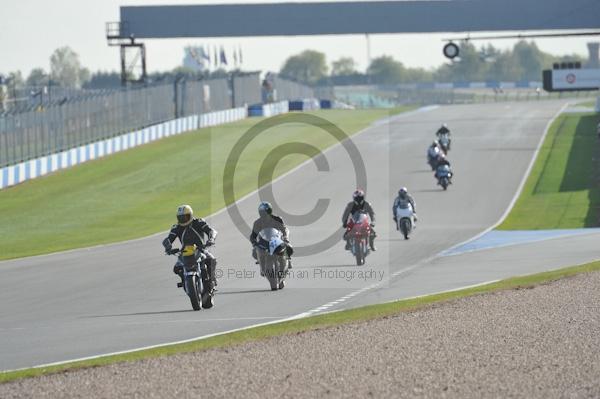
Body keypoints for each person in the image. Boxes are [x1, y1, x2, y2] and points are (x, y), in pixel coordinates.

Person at [162, 204, 218, 291]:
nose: (183, 219)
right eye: (181, 218)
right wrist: (168, 247)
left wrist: (211, 239)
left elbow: (211, 231)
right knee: (177, 268)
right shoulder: (176, 227)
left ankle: (212, 280)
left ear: (191, 215)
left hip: (201, 249)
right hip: (185, 251)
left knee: (211, 260)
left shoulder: (198, 222)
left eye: (185, 217)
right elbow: (168, 239)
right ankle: (185, 281)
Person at [250, 201, 293, 268]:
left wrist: (286, 237)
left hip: (277, 240)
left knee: (289, 247)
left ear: (270, 211)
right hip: (264, 241)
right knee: (254, 251)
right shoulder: (257, 223)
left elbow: (284, 229)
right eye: (262, 212)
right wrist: (254, 242)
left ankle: (288, 260)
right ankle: (262, 265)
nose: (264, 213)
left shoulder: (277, 219)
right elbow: (253, 235)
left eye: (266, 211)